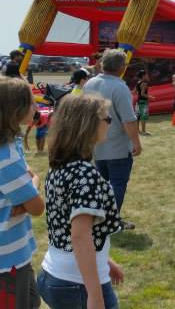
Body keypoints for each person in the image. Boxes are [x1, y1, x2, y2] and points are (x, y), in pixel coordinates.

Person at [37, 94, 124, 309]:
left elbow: (70, 227)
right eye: (106, 118)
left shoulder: (60, 167)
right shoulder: (84, 173)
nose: (109, 123)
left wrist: (105, 261)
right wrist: (95, 296)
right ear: (88, 125)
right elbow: (79, 235)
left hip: (54, 273)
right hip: (76, 283)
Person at [83, 49, 141, 230]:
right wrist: (136, 142)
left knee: (101, 184)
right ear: (122, 67)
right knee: (117, 184)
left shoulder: (90, 83)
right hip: (117, 146)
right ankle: (111, 221)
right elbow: (128, 120)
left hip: (96, 144)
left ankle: (100, 218)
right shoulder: (120, 87)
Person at [0, 77, 45, 309]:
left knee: (31, 302)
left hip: (16, 255)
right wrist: (34, 181)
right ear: (14, 110)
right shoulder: (6, 158)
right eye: (31, 102)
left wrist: (27, 191)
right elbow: (37, 207)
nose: (36, 106)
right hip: (7, 262)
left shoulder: (11, 144)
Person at [134, 70, 154, 137]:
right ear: (143, 76)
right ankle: (143, 131)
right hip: (143, 101)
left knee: (138, 116)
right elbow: (142, 94)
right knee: (143, 117)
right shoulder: (144, 84)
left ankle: (137, 130)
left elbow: (134, 92)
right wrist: (150, 97)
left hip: (138, 101)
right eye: (146, 75)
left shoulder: (138, 82)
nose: (147, 76)